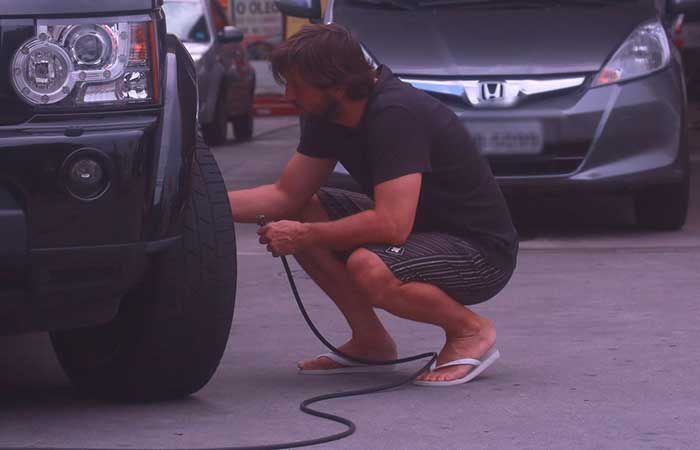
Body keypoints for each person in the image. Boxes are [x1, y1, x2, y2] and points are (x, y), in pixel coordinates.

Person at [227, 23, 518, 386]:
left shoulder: (396, 114)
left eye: (296, 84)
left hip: (479, 254)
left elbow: (392, 225)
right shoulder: (326, 114)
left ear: (336, 84)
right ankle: (371, 342)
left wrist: (305, 236)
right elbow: (286, 196)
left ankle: (470, 331)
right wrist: (199, 203)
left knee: (369, 265)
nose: (288, 94)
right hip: (422, 233)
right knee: (299, 209)